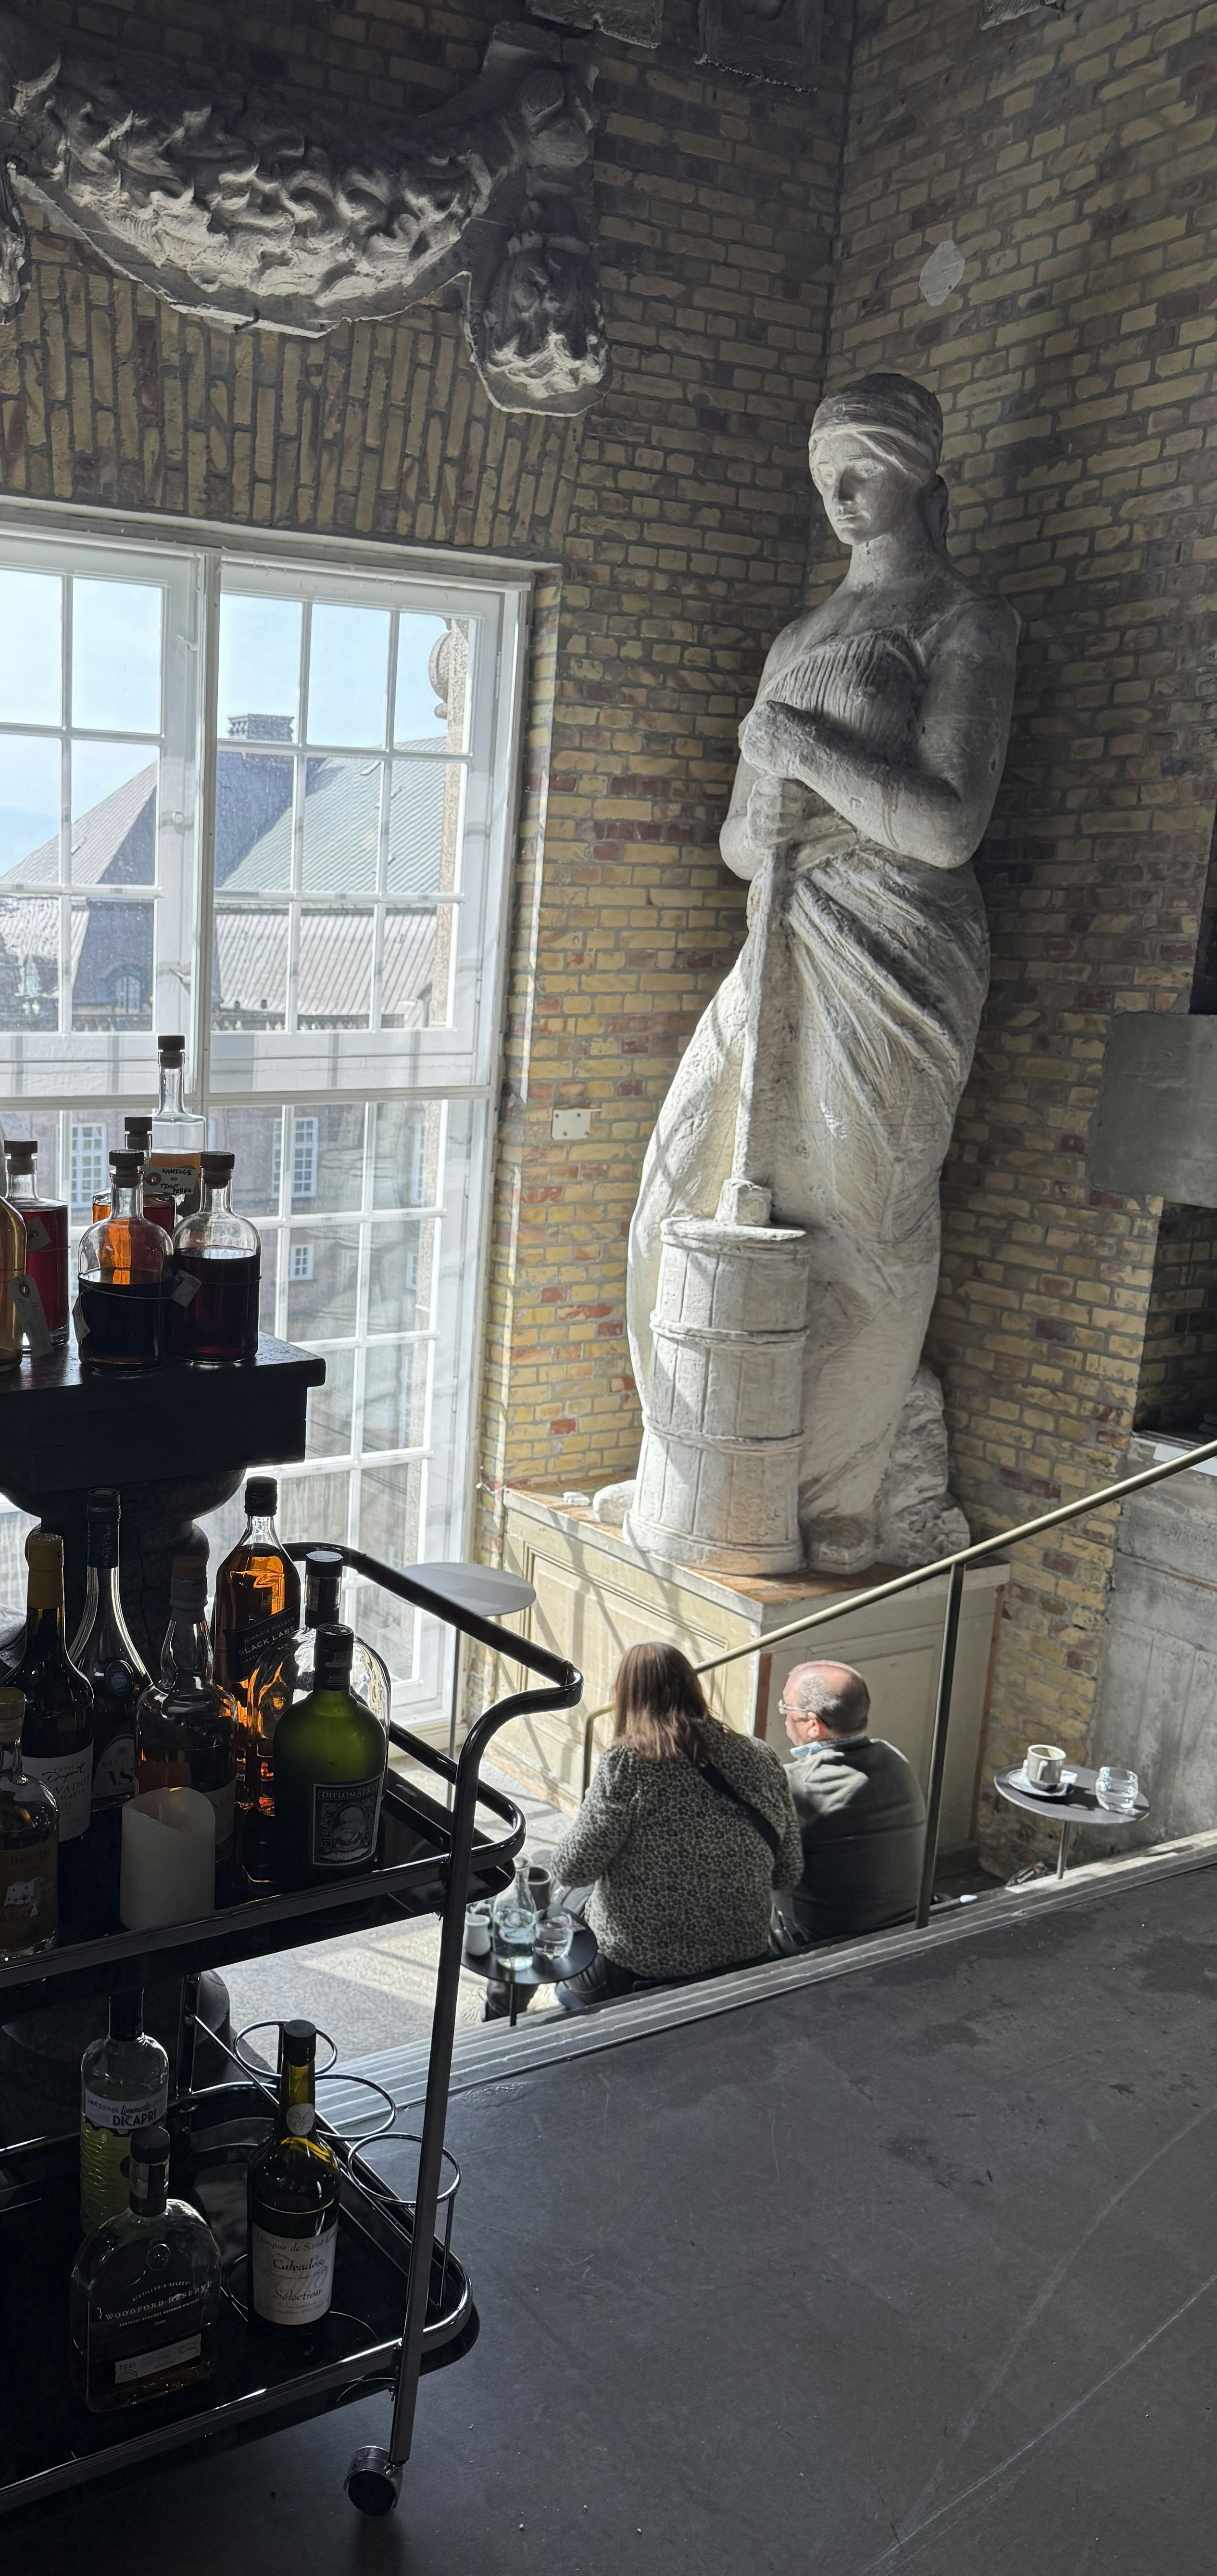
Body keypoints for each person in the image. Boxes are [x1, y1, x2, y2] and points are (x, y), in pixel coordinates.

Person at [625, 371, 1019, 1573]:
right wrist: (782, 796)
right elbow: (743, 840)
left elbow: (950, 826)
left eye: (864, 470)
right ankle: (693, 1459)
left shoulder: (963, 625)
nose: (841, 497)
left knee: (868, 1222)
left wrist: (805, 751)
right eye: (824, 478)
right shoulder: (798, 640)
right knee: (676, 1193)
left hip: (896, 946)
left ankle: (836, 1499)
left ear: (920, 474)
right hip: (780, 932)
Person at [549, 1642, 801, 2008]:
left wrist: (593, 1802)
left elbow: (574, 1867)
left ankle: (500, 2012)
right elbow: (788, 1871)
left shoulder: (628, 1763)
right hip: (744, 1954)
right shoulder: (760, 1756)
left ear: (628, 1697)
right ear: (693, 1688)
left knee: (551, 1889)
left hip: (637, 1967)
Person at [779, 1659, 927, 1938]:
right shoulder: (895, 1759)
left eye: (786, 1708)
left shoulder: (798, 1783)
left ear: (813, 1724)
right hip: (908, 1925)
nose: (784, 1715)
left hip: (821, 1940)